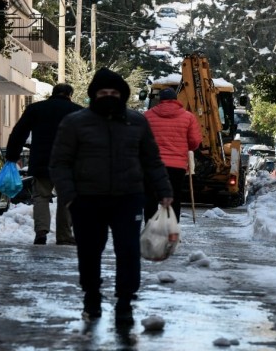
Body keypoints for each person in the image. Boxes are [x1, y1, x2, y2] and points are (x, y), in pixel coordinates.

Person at [49, 67, 173, 325]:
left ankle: (125, 302)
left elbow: (151, 160)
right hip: (87, 199)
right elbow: (60, 162)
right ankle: (91, 296)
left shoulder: (136, 121)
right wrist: (69, 196)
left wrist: (164, 191)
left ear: (123, 95)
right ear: (94, 94)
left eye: (114, 92)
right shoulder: (75, 122)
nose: (108, 96)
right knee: (89, 251)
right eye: (103, 92)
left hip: (128, 197)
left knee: (128, 251)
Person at [5, 84, 82, 245]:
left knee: (41, 196)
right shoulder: (78, 111)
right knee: (66, 197)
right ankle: (64, 235)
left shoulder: (36, 109)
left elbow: (19, 132)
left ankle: (41, 231)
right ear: (69, 94)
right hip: (68, 162)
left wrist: (12, 155)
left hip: (42, 160)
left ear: (52, 93)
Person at [143, 88, 201, 223]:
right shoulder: (188, 117)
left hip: (152, 165)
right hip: (177, 166)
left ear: (160, 100)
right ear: (176, 100)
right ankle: (171, 230)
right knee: (173, 196)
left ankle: (150, 228)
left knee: (151, 197)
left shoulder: (147, 116)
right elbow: (194, 142)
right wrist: (184, 147)